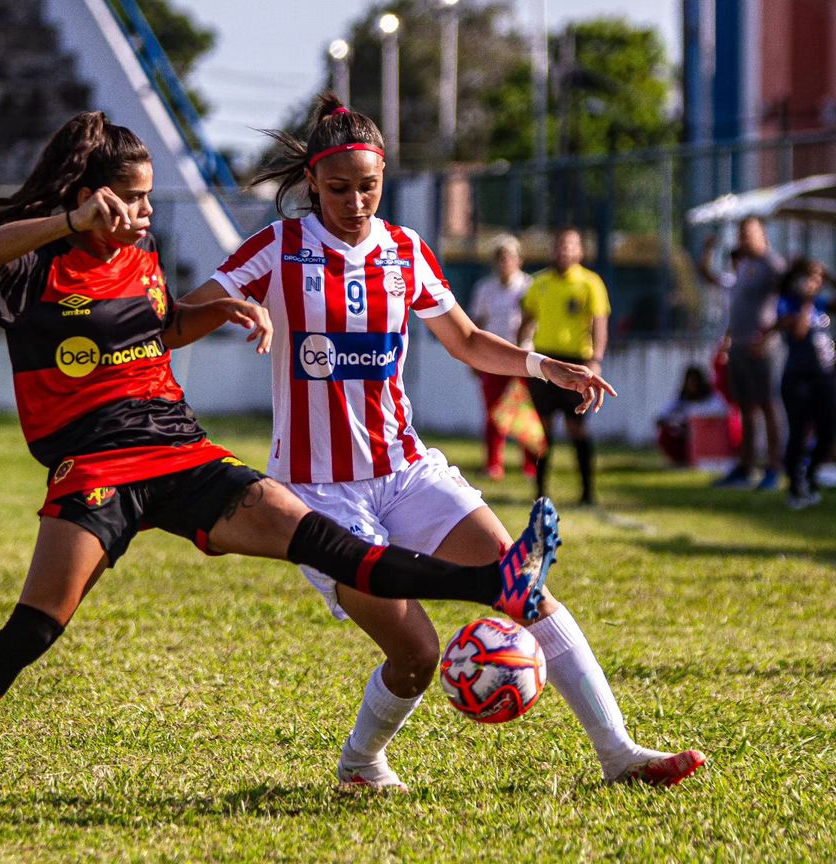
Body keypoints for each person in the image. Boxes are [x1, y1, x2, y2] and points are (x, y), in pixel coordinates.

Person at [0, 111, 560, 819]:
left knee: (326, 542)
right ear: (93, 197)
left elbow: (163, 329)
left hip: (178, 448)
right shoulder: (38, 263)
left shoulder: (141, 253)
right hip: (96, 465)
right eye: (132, 199)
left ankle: (490, 580)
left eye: (150, 198)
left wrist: (225, 308)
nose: (145, 212)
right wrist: (69, 220)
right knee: (33, 630)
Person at [183, 94, 704, 791]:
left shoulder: (404, 251)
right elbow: (182, 316)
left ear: (384, 177)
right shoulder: (277, 248)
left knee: (525, 588)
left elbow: (463, 339)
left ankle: (620, 754)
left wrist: (544, 364)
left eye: (368, 186)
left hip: (408, 473)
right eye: (338, 188)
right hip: (317, 495)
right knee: (416, 653)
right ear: (312, 182)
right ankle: (363, 762)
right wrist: (227, 305)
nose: (356, 201)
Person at [518, 228, 610, 506]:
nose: (565, 251)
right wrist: (518, 353)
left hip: (576, 362)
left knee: (576, 427)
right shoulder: (540, 283)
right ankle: (540, 491)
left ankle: (587, 492)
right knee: (542, 429)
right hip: (545, 360)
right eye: (560, 245)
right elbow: (527, 320)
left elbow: (599, 324)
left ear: (580, 251)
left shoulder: (590, 283)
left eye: (571, 245)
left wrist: (596, 360)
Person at [699, 219, 786, 490]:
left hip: (761, 350)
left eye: (749, 234)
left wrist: (768, 337)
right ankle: (745, 467)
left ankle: (774, 468)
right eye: (741, 234)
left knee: (768, 406)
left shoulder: (773, 265)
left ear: (763, 235)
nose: (744, 239)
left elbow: (790, 302)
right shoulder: (744, 266)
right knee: (746, 408)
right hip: (737, 348)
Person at [467, 234, 539, 480]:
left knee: (525, 411)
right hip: (494, 358)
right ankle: (493, 464)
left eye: (509, 257)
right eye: (500, 258)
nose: (505, 262)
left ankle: (531, 465)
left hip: (523, 358)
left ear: (519, 259)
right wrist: (473, 357)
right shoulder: (485, 289)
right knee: (494, 411)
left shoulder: (530, 286)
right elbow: (477, 324)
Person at [776, 258, 835, 509]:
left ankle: (810, 478)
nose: (814, 283)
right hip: (798, 377)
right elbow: (799, 332)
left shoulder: (823, 303)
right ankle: (794, 487)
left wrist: (829, 277)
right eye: (809, 277)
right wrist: (806, 301)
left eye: (816, 278)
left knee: (828, 431)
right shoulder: (787, 304)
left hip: (825, 376)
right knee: (798, 432)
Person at [655, 365, 732, 466]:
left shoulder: (712, 397)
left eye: (695, 382)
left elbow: (721, 414)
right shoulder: (682, 398)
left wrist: (697, 423)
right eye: (689, 382)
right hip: (686, 437)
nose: (692, 385)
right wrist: (673, 423)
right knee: (665, 435)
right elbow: (663, 415)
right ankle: (681, 460)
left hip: (708, 438)